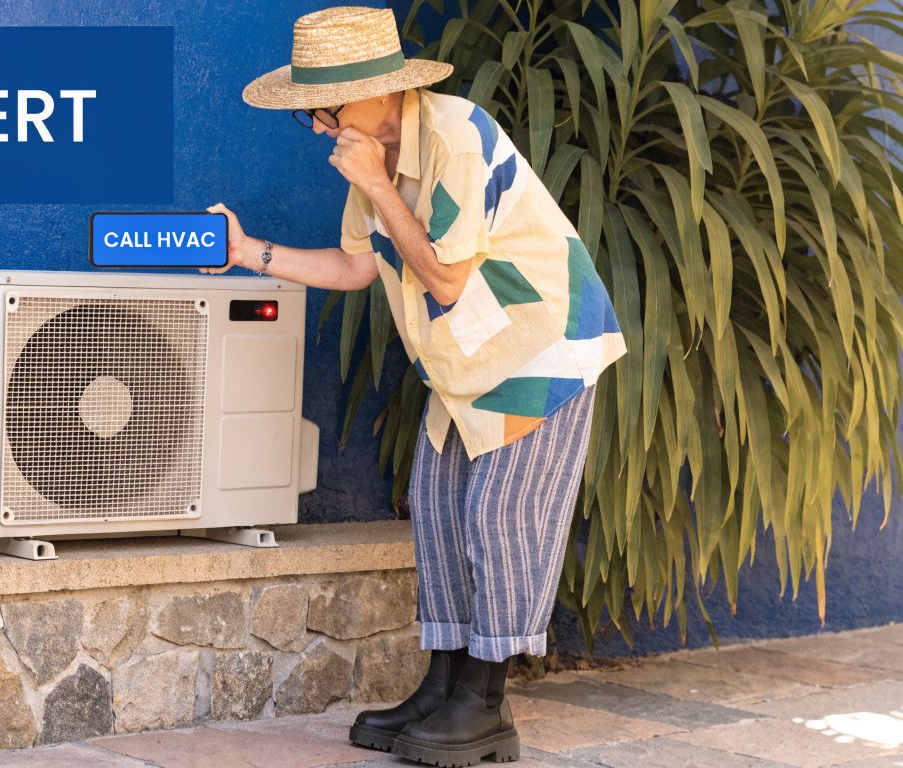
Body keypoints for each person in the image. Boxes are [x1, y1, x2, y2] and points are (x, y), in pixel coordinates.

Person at [201, 6, 628, 766]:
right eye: (310, 115)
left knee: (499, 520)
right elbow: (358, 267)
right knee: (436, 508)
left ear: (374, 90)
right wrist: (247, 252)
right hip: (465, 363)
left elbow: (444, 275)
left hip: (539, 351)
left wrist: (374, 182)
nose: (321, 127)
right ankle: (442, 689)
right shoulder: (377, 157)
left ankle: (486, 708)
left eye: (323, 110)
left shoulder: (455, 135)